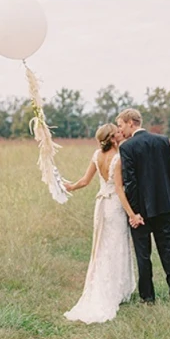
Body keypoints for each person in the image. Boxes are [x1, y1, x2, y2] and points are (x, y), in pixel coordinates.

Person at [63, 123, 136, 323]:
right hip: (113, 207)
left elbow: (85, 181)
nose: (121, 134)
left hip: (100, 206)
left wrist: (70, 186)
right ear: (112, 138)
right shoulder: (118, 159)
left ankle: (106, 286)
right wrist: (132, 214)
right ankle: (116, 291)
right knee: (116, 246)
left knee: (101, 246)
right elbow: (120, 190)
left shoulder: (97, 155)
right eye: (118, 132)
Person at [117, 108, 170, 304]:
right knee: (168, 250)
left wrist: (134, 213)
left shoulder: (127, 148)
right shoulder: (163, 141)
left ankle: (148, 297)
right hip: (165, 206)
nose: (121, 131)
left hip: (141, 212)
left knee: (143, 255)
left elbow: (131, 183)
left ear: (131, 122)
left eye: (121, 125)